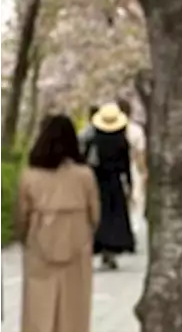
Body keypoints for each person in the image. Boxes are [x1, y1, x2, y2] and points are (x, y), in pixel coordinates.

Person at [16, 114, 99, 332]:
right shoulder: (85, 176)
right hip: (77, 245)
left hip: (40, 245)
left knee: (38, 306)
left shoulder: (29, 176)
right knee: (74, 307)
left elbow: (21, 217)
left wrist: (25, 237)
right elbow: (95, 215)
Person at [83, 102, 136, 269]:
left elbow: (85, 160)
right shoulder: (121, 141)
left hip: (97, 181)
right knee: (115, 217)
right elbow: (126, 164)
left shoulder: (94, 139)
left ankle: (98, 246)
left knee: (98, 215)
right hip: (114, 182)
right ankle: (111, 250)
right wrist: (129, 182)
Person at [118, 100, 147, 224]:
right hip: (133, 168)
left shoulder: (110, 131)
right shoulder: (136, 130)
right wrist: (144, 171)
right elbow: (140, 154)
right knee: (136, 200)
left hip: (117, 169)